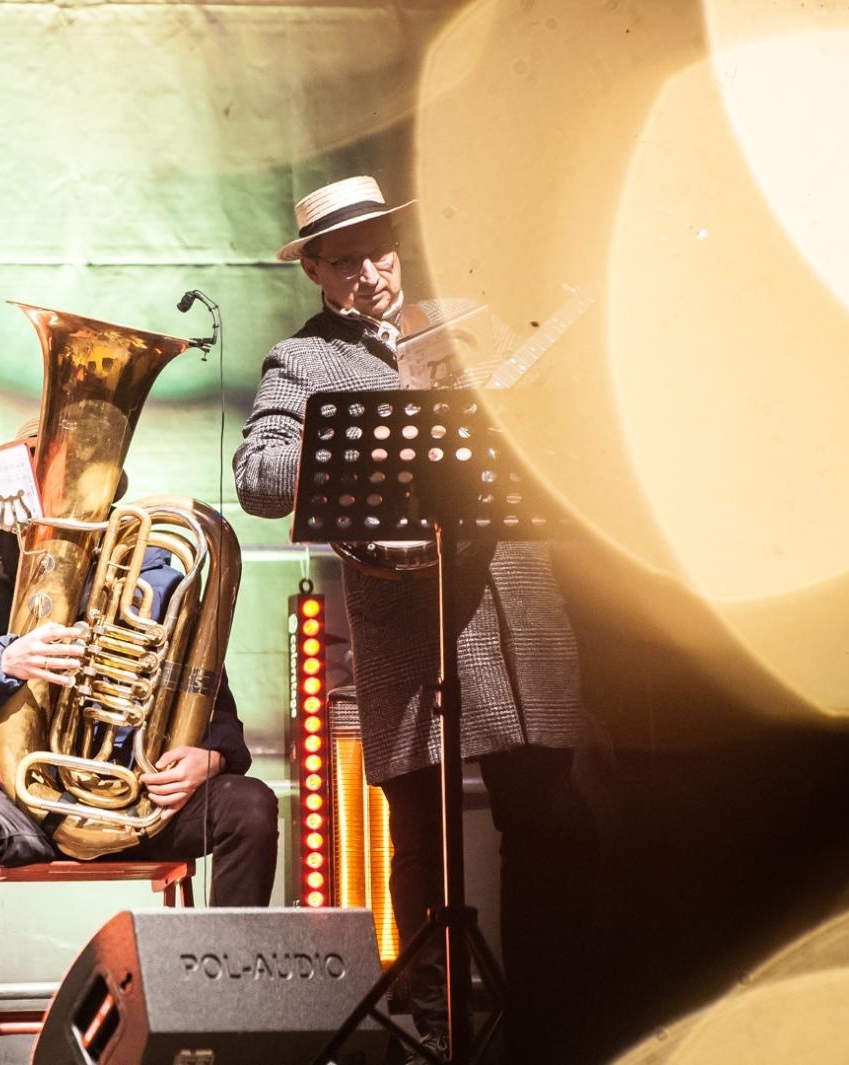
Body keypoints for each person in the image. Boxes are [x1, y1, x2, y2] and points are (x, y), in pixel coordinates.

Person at [234, 175, 602, 1065]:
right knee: (423, 841)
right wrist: (363, 435)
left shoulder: (470, 322)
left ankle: (545, 1019)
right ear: (315, 272)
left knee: (548, 821)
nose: (369, 273)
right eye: (346, 260)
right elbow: (259, 475)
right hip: (414, 621)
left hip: (518, 606)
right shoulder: (304, 360)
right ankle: (441, 1029)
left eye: (379, 250)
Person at [0, 422, 280, 1065]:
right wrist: (7, 658)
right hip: (31, 806)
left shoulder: (157, 577)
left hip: (144, 800)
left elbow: (214, 706)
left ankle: (232, 1017)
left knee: (250, 804)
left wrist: (211, 757)